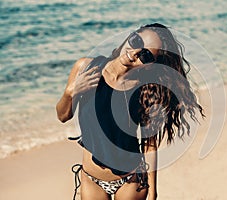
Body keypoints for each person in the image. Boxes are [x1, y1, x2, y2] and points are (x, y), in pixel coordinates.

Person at [56, 23, 204, 200]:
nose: (134, 52)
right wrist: (70, 92)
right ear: (130, 36)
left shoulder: (146, 92)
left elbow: (150, 144)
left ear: (150, 65)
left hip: (131, 181)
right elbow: (63, 116)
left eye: (146, 55)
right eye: (136, 41)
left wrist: (153, 191)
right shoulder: (86, 68)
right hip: (91, 178)